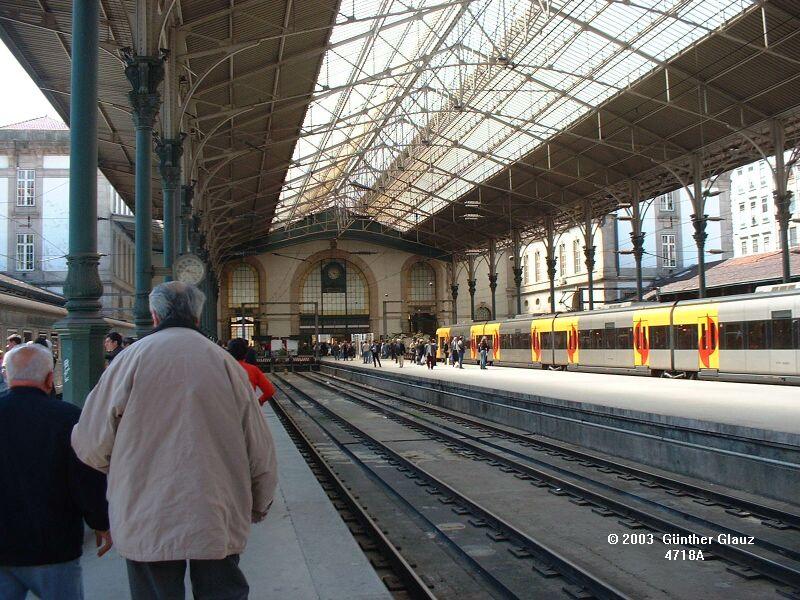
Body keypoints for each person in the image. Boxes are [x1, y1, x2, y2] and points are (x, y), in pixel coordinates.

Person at [71, 282, 277, 600]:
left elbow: (90, 443)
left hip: (146, 513)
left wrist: (122, 474)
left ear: (154, 315)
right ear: (198, 316)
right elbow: (259, 447)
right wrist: (259, 503)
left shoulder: (127, 362)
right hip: (216, 510)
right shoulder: (227, 366)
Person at [0, 344, 112, 600]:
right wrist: (101, 522)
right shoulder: (68, 418)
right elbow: (85, 476)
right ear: (50, 379)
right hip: (53, 545)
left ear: (7, 375)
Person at [228, 338, 276, 405]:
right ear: (245, 352)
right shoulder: (253, 370)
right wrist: (259, 401)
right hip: (249, 409)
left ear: (229, 352)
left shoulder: (222, 369)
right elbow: (270, 391)